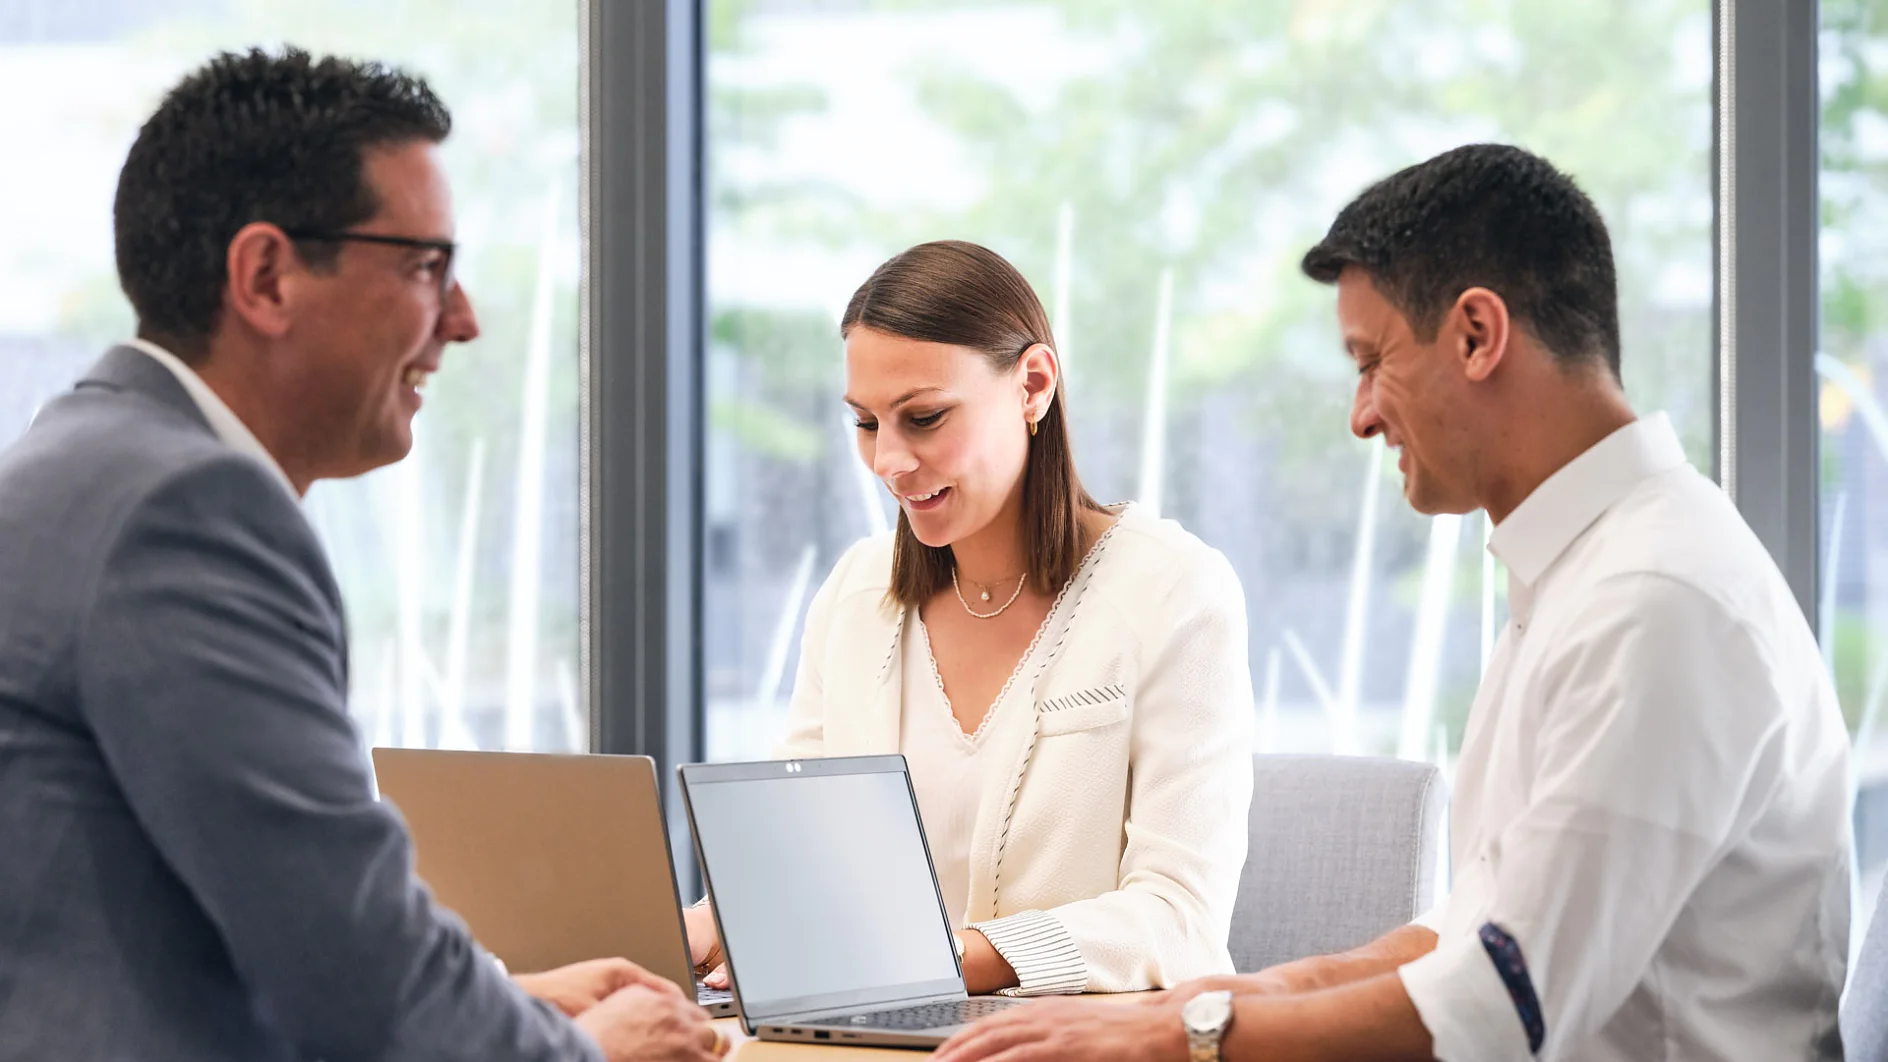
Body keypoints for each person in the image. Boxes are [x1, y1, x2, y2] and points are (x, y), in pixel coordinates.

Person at [932, 144, 1852, 1061]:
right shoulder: (1592, 571)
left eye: (1372, 361)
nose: (1360, 414)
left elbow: (1499, 1004)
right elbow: (1480, 925)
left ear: (1477, 335)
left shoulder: (1656, 601)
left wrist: (1185, 1037)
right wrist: (1239, 996)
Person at [0, 48, 725, 1062]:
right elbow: (351, 973)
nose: (462, 321)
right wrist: (594, 1053)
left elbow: (252, 922)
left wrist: (508, 998)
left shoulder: (82, 458)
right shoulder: (184, 508)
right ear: (265, 276)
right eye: (427, 267)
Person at [686, 240, 1255, 997]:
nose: (888, 460)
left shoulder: (1173, 591)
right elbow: (796, 853)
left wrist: (940, 958)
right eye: (865, 423)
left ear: (1033, 385)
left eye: (923, 418)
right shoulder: (857, 597)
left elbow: (1180, 918)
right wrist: (697, 923)